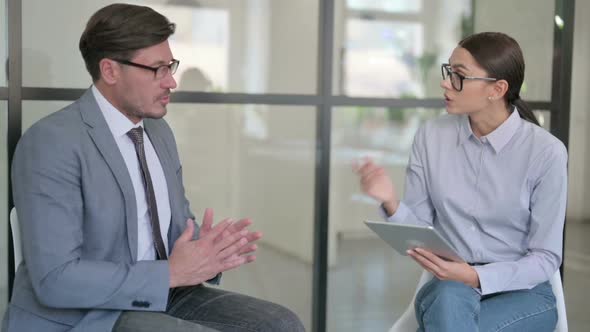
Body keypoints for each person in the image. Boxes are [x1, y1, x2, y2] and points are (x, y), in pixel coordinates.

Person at [3, 4, 305, 332]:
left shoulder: (158, 132)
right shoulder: (52, 143)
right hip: (90, 311)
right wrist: (171, 273)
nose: (171, 81)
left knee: (281, 323)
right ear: (110, 71)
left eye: (171, 66)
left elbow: (176, 226)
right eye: (158, 69)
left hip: (166, 293)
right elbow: (55, 279)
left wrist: (209, 249)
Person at [355, 32, 567, 332]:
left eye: (459, 75)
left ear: (497, 89)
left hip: (524, 293)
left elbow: (545, 257)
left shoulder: (546, 153)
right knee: (449, 297)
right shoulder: (431, 137)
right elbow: (422, 235)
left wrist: (476, 277)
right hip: (448, 288)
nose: (445, 82)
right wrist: (389, 201)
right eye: (448, 71)